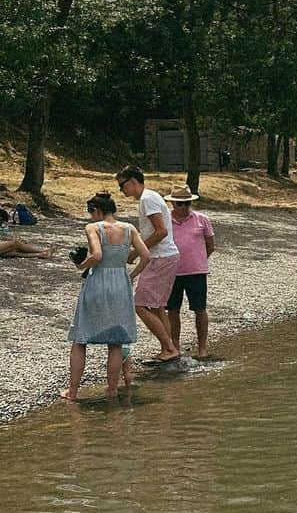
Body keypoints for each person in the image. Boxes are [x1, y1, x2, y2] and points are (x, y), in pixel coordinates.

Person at [64, 191, 151, 401]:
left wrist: (81, 265)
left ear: (97, 210)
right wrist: (132, 275)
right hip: (120, 282)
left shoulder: (93, 228)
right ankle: (112, 390)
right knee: (115, 342)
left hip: (98, 282)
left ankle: (73, 392)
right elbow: (146, 255)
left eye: (91, 212)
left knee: (80, 339)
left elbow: (97, 255)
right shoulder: (129, 229)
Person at [115, 164, 181, 362]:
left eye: (122, 185)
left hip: (161, 257)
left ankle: (169, 349)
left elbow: (161, 231)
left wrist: (136, 252)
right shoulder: (149, 197)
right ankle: (169, 348)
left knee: (140, 304)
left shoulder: (147, 199)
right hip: (163, 256)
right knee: (157, 306)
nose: (121, 190)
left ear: (133, 181)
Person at [165, 184, 215, 358]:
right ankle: (175, 347)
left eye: (187, 203)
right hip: (171, 272)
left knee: (200, 309)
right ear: (172, 204)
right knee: (172, 310)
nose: (184, 207)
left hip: (196, 272)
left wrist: (199, 260)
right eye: (180, 204)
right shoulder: (165, 221)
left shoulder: (202, 219)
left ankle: (202, 348)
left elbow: (210, 244)